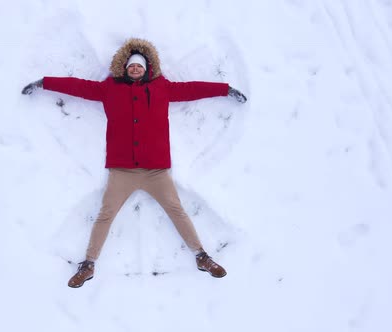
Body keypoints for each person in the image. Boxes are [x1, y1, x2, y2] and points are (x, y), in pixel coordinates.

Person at [22, 38, 247, 288]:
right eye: (131, 67)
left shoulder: (163, 88)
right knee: (105, 214)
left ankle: (202, 257)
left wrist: (225, 89)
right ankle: (88, 264)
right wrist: (45, 83)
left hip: (156, 171)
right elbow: (78, 86)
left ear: (147, 68)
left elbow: (194, 89)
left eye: (139, 66)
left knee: (176, 210)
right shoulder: (109, 89)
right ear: (125, 68)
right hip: (122, 171)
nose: (136, 69)